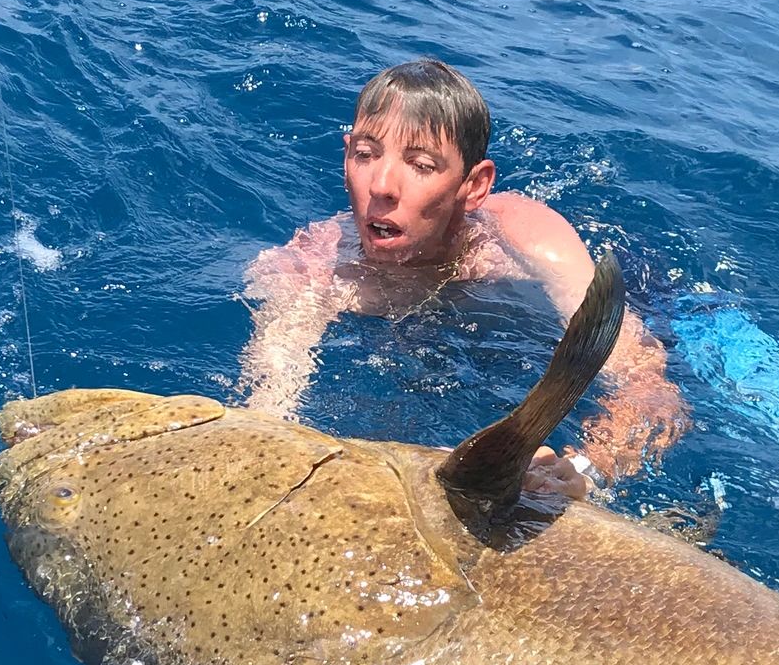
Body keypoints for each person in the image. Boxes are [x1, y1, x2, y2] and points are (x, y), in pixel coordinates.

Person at [239, 57, 689, 487]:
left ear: (474, 186)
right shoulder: (312, 267)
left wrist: (586, 470)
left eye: (421, 165)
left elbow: (648, 386)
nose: (381, 185)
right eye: (365, 154)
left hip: (643, 289)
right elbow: (266, 411)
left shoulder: (527, 246)